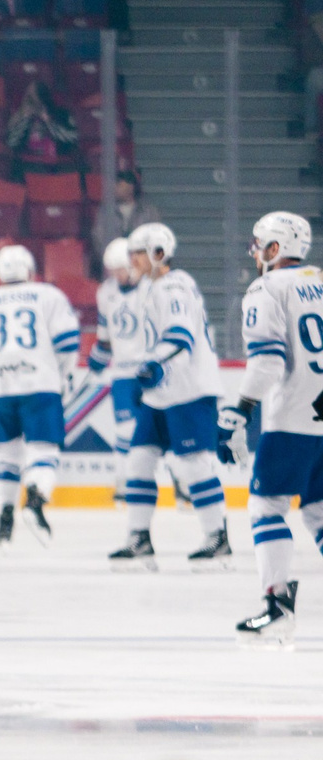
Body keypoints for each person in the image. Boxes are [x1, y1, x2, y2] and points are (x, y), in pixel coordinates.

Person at [227, 211, 323, 641]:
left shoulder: (266, 287)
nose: (254, 251)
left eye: (259, 243)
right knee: (320, 513)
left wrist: (239, 410)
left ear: (274, 249)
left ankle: (277, 602)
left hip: (293, 419)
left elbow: (267, 362)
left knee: (267, 505)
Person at [111, 222, 230, 568]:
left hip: (189, 390)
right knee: (139, 460)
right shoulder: (156, 287)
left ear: (157, 253)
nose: (132, 259)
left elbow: (180, 336)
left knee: (194, 465)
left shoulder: (173, 286)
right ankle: (139, 538)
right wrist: (149, 369)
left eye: (137, 252)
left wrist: (153, 365)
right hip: (164, 394)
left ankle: (217, 537)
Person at [0, 243, 82, 544]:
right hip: (38, 384)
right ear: (30, 269)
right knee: (43, 449)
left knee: (4, 455)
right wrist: (61, 375)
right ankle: (36, 499)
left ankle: (4, 518)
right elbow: (66, 342)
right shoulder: (48, 295)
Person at [84, 237, 153, 455]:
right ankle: (124, 484)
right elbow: (105, 338)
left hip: (150, 371)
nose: (117, 275)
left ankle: (176, 479)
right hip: (122, 373)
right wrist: (96, 361)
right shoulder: (105, 292)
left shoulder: (153, 288)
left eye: (120, 269)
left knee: (158, 430)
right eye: (112, 271)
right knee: (124, 431)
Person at [4, 80, 81, 181]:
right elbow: (11, 143)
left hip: (60, 166)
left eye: (33, 98)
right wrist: (25, 120)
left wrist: (49, 122)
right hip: (31, 166)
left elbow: (72, 138)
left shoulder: (62, 114)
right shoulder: (21, 118)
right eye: (28, 98)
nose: (32, 103)